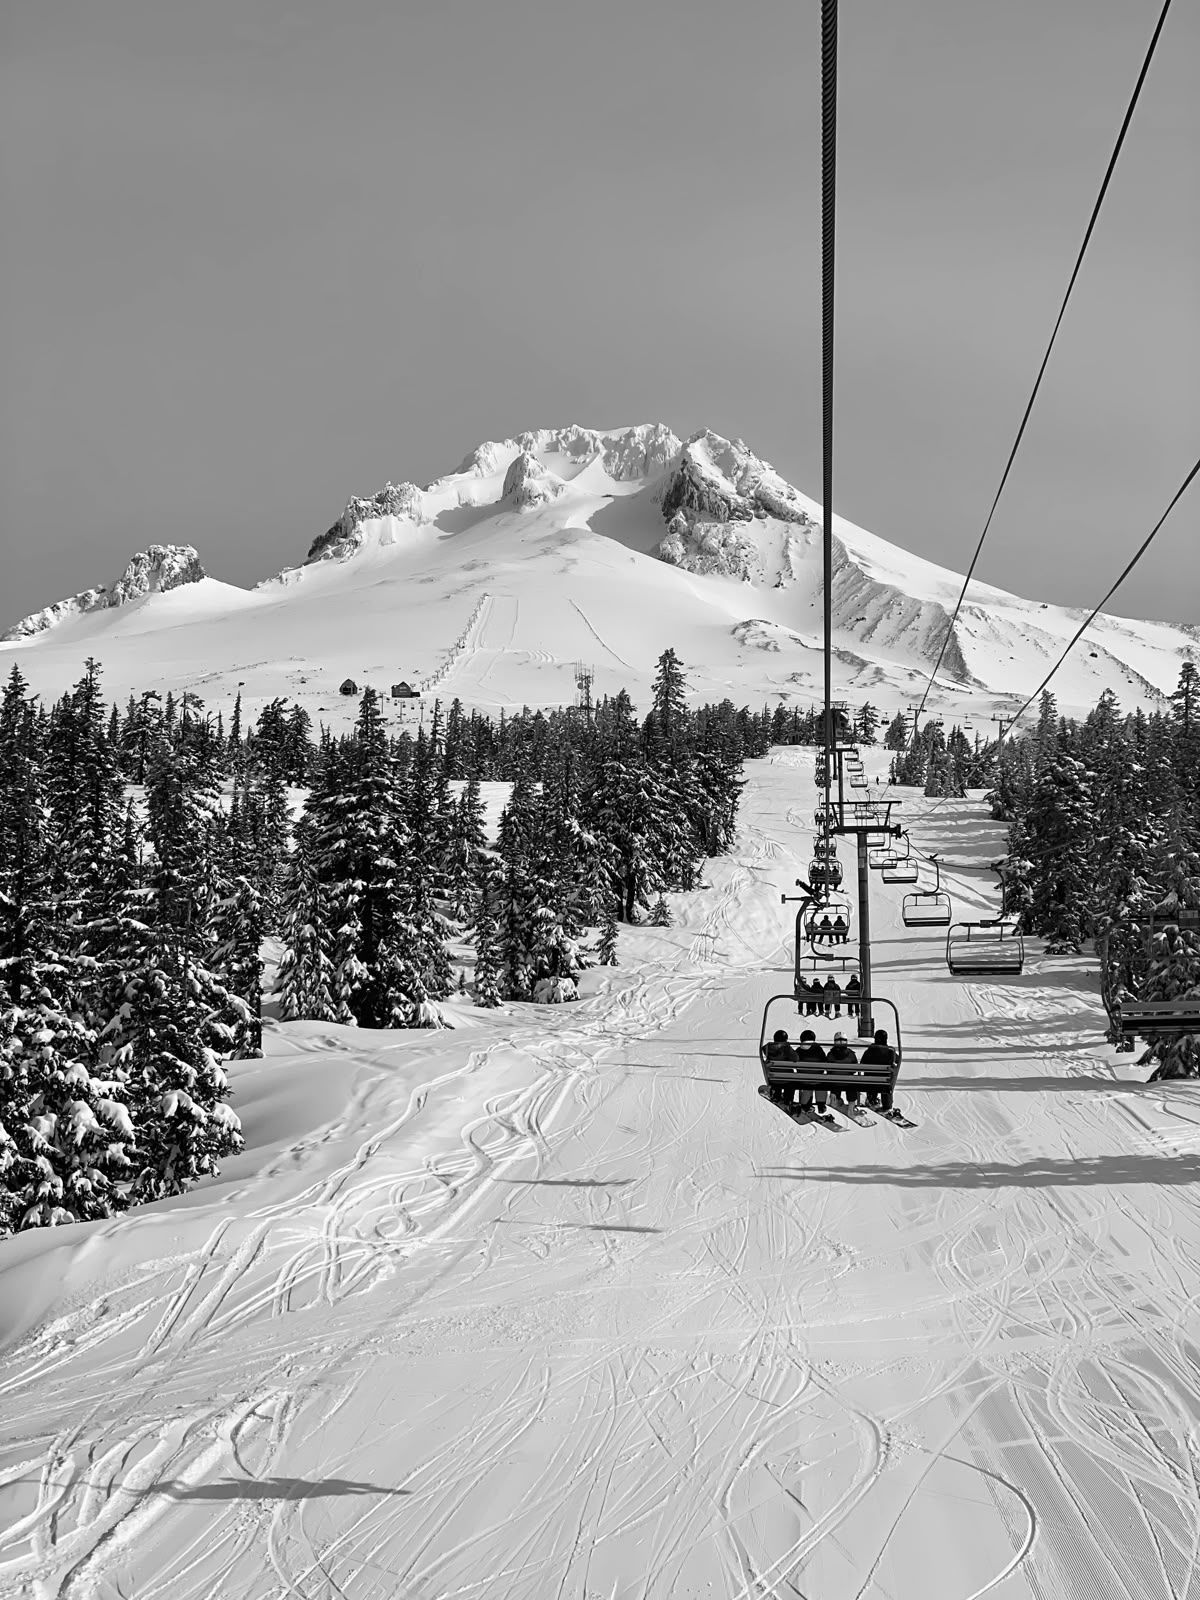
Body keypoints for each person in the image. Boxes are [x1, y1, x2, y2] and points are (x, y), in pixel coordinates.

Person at [792, 1029, 833, 1120]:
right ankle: (821, 1104)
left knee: (807, 1086)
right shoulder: (818, 1048)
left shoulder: (799, 1050)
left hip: (804, 1080)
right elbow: (824, 1062)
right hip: (818, 1079)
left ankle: (806, 1105)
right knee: (821, 1083)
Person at [861, 1028, 900, 1115]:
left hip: (870, 1081)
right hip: (885, 1081)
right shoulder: (890, 1051)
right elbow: (898, 1061)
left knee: (871, 1077)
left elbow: (862, 1063)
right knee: (887, 1082)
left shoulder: (869, 1051)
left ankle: (871, 1098)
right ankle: (887, 1104)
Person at [825, 1031, 861, 1106]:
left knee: (834, 1079)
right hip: (848, 1081)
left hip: (834, 1082)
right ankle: (851, 1103)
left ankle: (835, 1098)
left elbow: (827, 1068)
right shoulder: (851, 1054)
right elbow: (855, 1069)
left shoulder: (830, 1054)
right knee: (852, 1082)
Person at [764, 1028, 797, 1104]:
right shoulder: (786, 1048)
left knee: (776, 1077)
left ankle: (776, 1095)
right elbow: (796, 1058)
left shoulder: (768, 1049)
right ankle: (788, 1099)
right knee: (791, 1082)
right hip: (787, 1079)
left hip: (774, 1078)